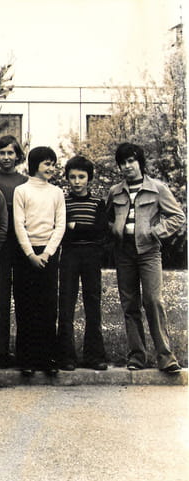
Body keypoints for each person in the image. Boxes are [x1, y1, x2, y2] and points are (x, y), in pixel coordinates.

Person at [106, 142, 184, 373]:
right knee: (129, 304)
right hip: (124, 252)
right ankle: (137, 356)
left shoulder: (157, 188)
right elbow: (107, 218)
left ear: (140, 162)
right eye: (123, 163)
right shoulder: (115, 191)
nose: (127, 166)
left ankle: (166, 357)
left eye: (131, 161)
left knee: (153, 301)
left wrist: (155, 232)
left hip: (149, 252)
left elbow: (178, 217)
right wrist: (115, 230)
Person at [12, 146, 66, 376]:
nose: (51, 168)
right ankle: (26, 358)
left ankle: (48, 357)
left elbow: (60, 225)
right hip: (26, 254)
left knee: (47, 306)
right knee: (26, 306)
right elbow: (19, 224)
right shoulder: (21, 191)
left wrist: (47, 253)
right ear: (35, 165)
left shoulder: (57, 192)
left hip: (48, 254)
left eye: (53, 164)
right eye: (47, 163)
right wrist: (30, 254)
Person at [57, 156, 108, 371]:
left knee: (92, 303)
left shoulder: (97, 203)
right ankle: (66, 356)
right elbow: (61, 231)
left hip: (91, 255)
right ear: (67, 178)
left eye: (81, 177)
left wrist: (75, 226)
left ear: (89, 178)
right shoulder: (63, 202)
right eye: (72, 177)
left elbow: (101, 231)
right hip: (69, 254)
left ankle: (94, 355)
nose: (77, 181)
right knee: (66, 303)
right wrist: (81, 230)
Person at [0, 135, 28, 367]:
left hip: (21, 242)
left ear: (17, 155)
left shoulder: (25, 181)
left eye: (10, 153)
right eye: (2, 153)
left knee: (24, 297)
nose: (6, 157)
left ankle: (24, 353)